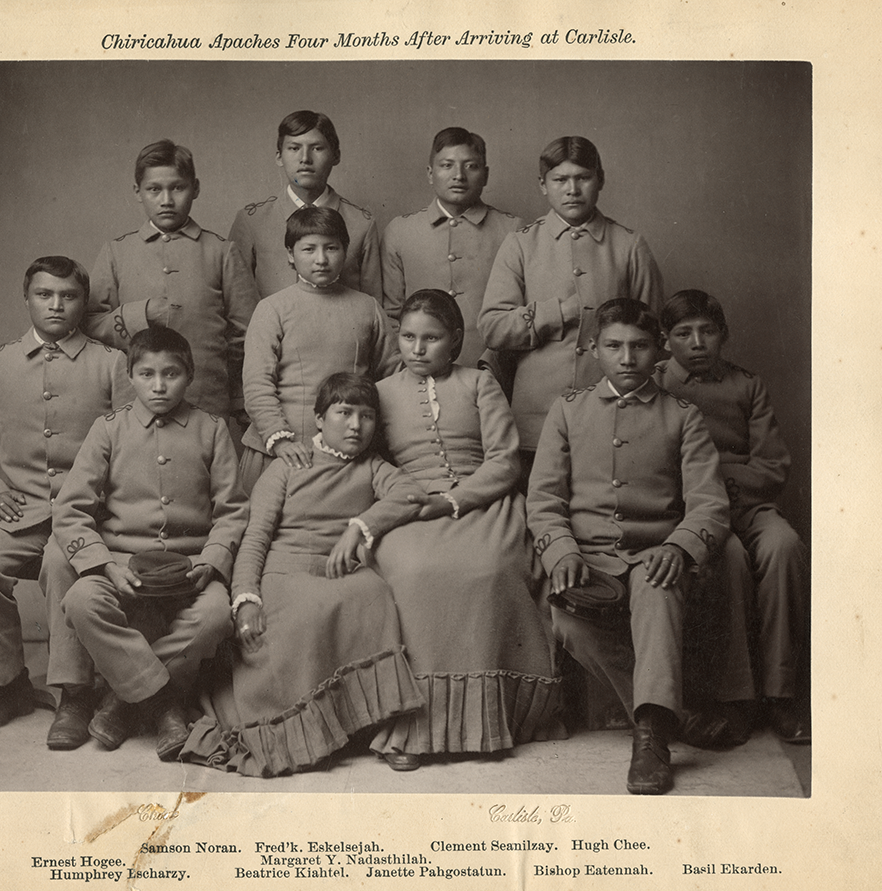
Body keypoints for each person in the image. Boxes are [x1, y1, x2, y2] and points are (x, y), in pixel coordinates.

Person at [527, 298, 731, 794]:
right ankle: (669, 714)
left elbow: (709, 503)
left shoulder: (682, 417)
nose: (626, 358)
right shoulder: (568, 410)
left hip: (653, 551)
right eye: (614, 346)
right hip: (587, 554)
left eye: (639, 347)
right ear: (594, 349)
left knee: (658, 589)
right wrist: (562, 553)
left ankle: (651, 743)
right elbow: (544, 497)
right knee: (568, 621)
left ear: (659, 352)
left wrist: (680, 548)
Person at [181, 373, 425, 777]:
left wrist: (358, 527)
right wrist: (245, 598)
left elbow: (411, 493)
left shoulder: (371, 466)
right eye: (344, 413)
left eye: (366, 417)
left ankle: (357, 725)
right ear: (318, 419)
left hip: (339, 567)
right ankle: (300, 734)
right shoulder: (288, 467)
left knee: (374, 595)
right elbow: (254, 538)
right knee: (305, 617)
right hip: (285, 568)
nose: (355, 426)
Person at [369, 290, 562, 772]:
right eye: (408, 337)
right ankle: (416, 725)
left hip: (483, 503)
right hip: (410, 507)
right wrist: (404, 500)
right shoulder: (381, 390)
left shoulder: (479, 383)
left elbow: (504, 461)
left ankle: (492, 720)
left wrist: (456, 499)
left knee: (489, 568)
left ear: (454, 341)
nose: (417, 349)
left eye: (431, 339)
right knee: (413, 572)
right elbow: (373, 463)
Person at [0, 256, 133, 742]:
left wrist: (98, 504)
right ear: (26, 298)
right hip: (19, 511)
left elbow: (132, 445)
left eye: (68, 296)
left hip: (86, 516)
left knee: (60, 566)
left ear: (82, 302)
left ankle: (75, 694)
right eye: (44, 295)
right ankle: (9, 686)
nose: (56, 305)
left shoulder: (111, 363)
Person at [52, 327, 248, 761]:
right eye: (146, 374)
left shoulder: (212, 430)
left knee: (216, 617)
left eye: (171, 373)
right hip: (123, 561)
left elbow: (232, 510)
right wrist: (103, 566)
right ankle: (162, 704)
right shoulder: (108, 430)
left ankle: (123, 700)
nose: (159, 386)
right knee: (82, 601)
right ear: (131, 376)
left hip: (189, 564)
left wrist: (212, 562)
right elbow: (70, 510)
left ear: (190, 375)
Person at [655, 289, 810, 743]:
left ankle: (780, 696)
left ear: (724, 335)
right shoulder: (657, 383)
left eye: (707, 331)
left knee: (785, 546)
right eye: (684, 333)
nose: (697, 343)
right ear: (666, 341)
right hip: (691, 510)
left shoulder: (747, 386)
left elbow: (773, 465)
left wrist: (722, 479)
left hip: (746, 503)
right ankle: (736, 698)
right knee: (731, 559)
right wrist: (703, 490)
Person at [478, 136, 664, 479]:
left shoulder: (629, 246)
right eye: (560, 180)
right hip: (537, 419)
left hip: (614, 416)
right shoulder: (521, 243)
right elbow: (493, 328)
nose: (572, 189)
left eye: (583, 178)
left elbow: (654, 339)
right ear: (543, 186)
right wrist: (558, 312)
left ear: (601, 180)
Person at [84, 139, 258, 421]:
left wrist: (238, 397)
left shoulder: (221, 252)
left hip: (207, 401)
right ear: (137, 192)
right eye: (154, 189)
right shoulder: (116, 252)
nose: (166, 200)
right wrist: (140, 315)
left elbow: (248, 332)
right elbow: (88, 323)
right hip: (134, 406)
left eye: (178, 187)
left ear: (196, 188)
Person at [239, 206, 396, 493]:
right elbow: (257, 383)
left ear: (346, 251)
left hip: (351, 452)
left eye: (332, 248)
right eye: (309, 249)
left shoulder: (367, 308)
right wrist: (280, 439)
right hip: (285, 450)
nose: (321, 259)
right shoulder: (272, 309)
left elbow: (393, 377)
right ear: (290, 254)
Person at [381, 127, 522, 369]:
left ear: (486, 175)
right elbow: (391, 315)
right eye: (447, 165)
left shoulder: (512, 229)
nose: (459, 175)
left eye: (471, 166)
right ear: (430, 173)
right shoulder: (400, 231)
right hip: (416, 374)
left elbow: (515, 315)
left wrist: (492, 368)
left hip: (490, 372)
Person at [229, 110, 382, 300]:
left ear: (336, 156)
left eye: (317, 148)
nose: (305, 159)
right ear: (279, 156)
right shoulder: (252, 221)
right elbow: (238, 301)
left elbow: (373, 303)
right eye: (294, 148)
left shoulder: (361, 223)